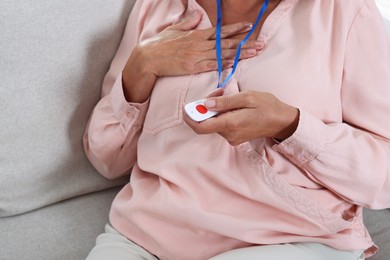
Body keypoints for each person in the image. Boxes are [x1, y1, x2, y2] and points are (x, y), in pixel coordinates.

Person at [83, 0, 390, 259]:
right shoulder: (159, 8)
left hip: (290, 238)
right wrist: (141, 66)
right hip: (144, 239)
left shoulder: (345, 11)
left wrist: (289, 125)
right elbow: (107, 160)